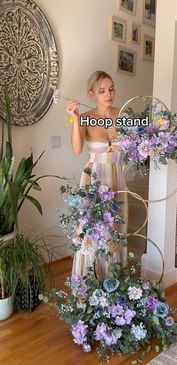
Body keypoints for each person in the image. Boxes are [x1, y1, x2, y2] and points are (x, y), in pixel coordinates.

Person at [66, 71, 127, 279]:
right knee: (92, 230)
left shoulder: (123, 116)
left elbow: (136, 145)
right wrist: (75, 119)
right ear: (92, 93)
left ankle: (113, 280)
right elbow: (76, 149)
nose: (108, 94)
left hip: (117, 180)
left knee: (115, 230)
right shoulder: (85, 119)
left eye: (111, 89)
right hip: (94, 179)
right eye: (102, 91)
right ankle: (91, 279)